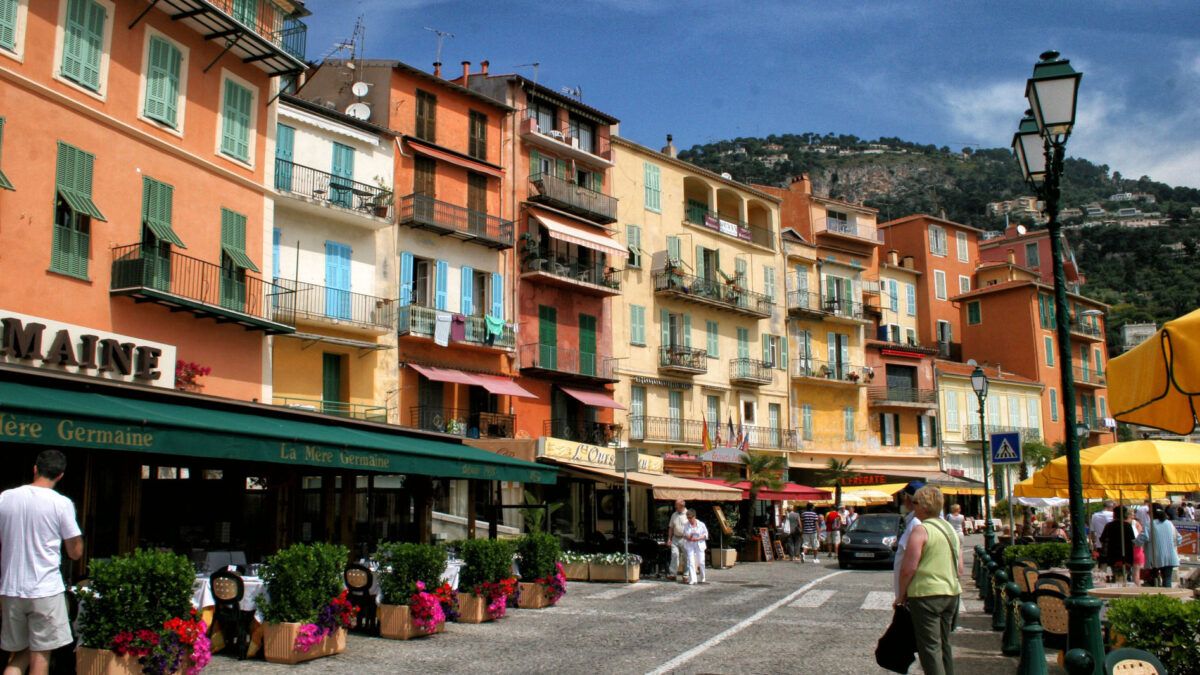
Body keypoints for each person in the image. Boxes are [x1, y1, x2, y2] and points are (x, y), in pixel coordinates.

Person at [0, 450, 84, 675]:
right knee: (40, 657)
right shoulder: (61, 503)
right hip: (44, 589)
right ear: (60, 475)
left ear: (35, 469)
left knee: (19, 654)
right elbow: (75, 552)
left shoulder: (5, 498)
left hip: (10, 588)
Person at [895, 486, 962, 675]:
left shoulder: (920, 530)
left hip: (926, 595)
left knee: (930, 648)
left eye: (915, 502)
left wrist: (900, 595)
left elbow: (908, 569)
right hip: (951, 593)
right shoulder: (949, 529)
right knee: (944, 643)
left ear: (924, 506)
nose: (913, 506)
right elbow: (960, 567)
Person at [894, 481, 925, 597]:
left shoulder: (915, 522)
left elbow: (908, 566)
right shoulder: (913, 519)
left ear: (908, 498)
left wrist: (901, 596)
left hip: (914, 590)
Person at [1140, 506, 1183, 587]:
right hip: (1170, 556)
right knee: (1167, 579)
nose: (1148, 514)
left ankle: (1155, 596)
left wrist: (1135, 543)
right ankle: (1167, 597)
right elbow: (1179, 538)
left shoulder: (1149, 524)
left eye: (1149, 512)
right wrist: (1171, 545)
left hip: (1154, 556)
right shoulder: (1169, 523)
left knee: (1153, 578)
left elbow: (1143, 537)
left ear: (1152, 514)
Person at [1100, 505, 1136, 585]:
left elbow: (1102, 539)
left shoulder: (1109, 526)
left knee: (1116, 575)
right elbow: (1132, 540)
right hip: (1126, 555)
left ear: (1114, 514)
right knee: (1125, 575)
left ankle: (1118, 586)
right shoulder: (1127, 526)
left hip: (1113, 555)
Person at [683, 509, 709, 584]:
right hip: (690, 544)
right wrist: (689, 536)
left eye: (690, 518)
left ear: (694, 516)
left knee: (701, 562)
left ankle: (703, 576)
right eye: (688, 518)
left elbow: (706, 535)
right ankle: (693, 579)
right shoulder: (686, 525)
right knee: (691, 561)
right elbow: (684, 535)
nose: (689, 519)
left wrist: (698, 538)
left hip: (699, 544)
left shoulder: (701, 524)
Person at [666, 499, 688, 581]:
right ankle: (673, 574)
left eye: (676, 505)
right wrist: (669, 538)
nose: (675, 506)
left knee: (686, 557)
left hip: (684, 538)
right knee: (674, 555)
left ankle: (686, 574)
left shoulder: (688, 514)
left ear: (682, 506)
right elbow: (671, 527)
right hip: (675, 538)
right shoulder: (674, 515)